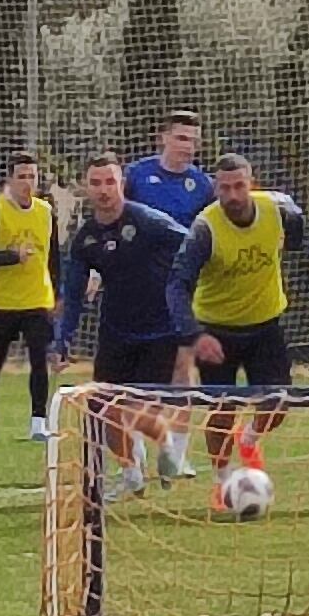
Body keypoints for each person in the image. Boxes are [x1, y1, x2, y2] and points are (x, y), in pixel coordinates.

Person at [59, 157, 199, 500]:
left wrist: (183, 284)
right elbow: (74, 293)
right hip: (116, 332)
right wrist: (62, 337)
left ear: (122, 183)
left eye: (110, 181)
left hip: (161, 331)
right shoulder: (86, 239)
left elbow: (193, 243)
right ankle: (131, 473)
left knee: (135, 408)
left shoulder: (147, 221)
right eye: (96, 183)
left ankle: (165, 441)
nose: (104, 190)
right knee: (104, 410)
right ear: (86, 188)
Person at [177, 152, 299, 473]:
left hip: (264, 325)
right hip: (217, 330)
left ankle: (249, 438)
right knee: (222, 409)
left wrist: (294, 233)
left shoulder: (277, 210)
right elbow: (177, 285)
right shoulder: (204, 229)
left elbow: (296, 217)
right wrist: (195, 335)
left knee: (278, 404)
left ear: (252, 185)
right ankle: (223, 480)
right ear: (215, 189)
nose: (232, 195)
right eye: (224, 188)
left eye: (239, 187)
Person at [119, 112, 220, 476]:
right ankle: (137, 449)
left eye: (194, 140)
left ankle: (177, 454)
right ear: (162, 137)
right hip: (137, 285)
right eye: (181, 138)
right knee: (136, 371)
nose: (188, 147)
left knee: (182, 366)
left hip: (181, 287)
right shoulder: (136, 176)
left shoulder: (204, 185)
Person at [0, 152, 64, 443]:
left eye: (32, 176)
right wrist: (13, 256)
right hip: (3, 302)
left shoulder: (46, 212)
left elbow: (55, 258)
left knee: (39, 361)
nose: (27, 182)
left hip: (37, 300)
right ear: (9, 179)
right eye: (21, 176)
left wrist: (58, 295)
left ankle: (38, 422)